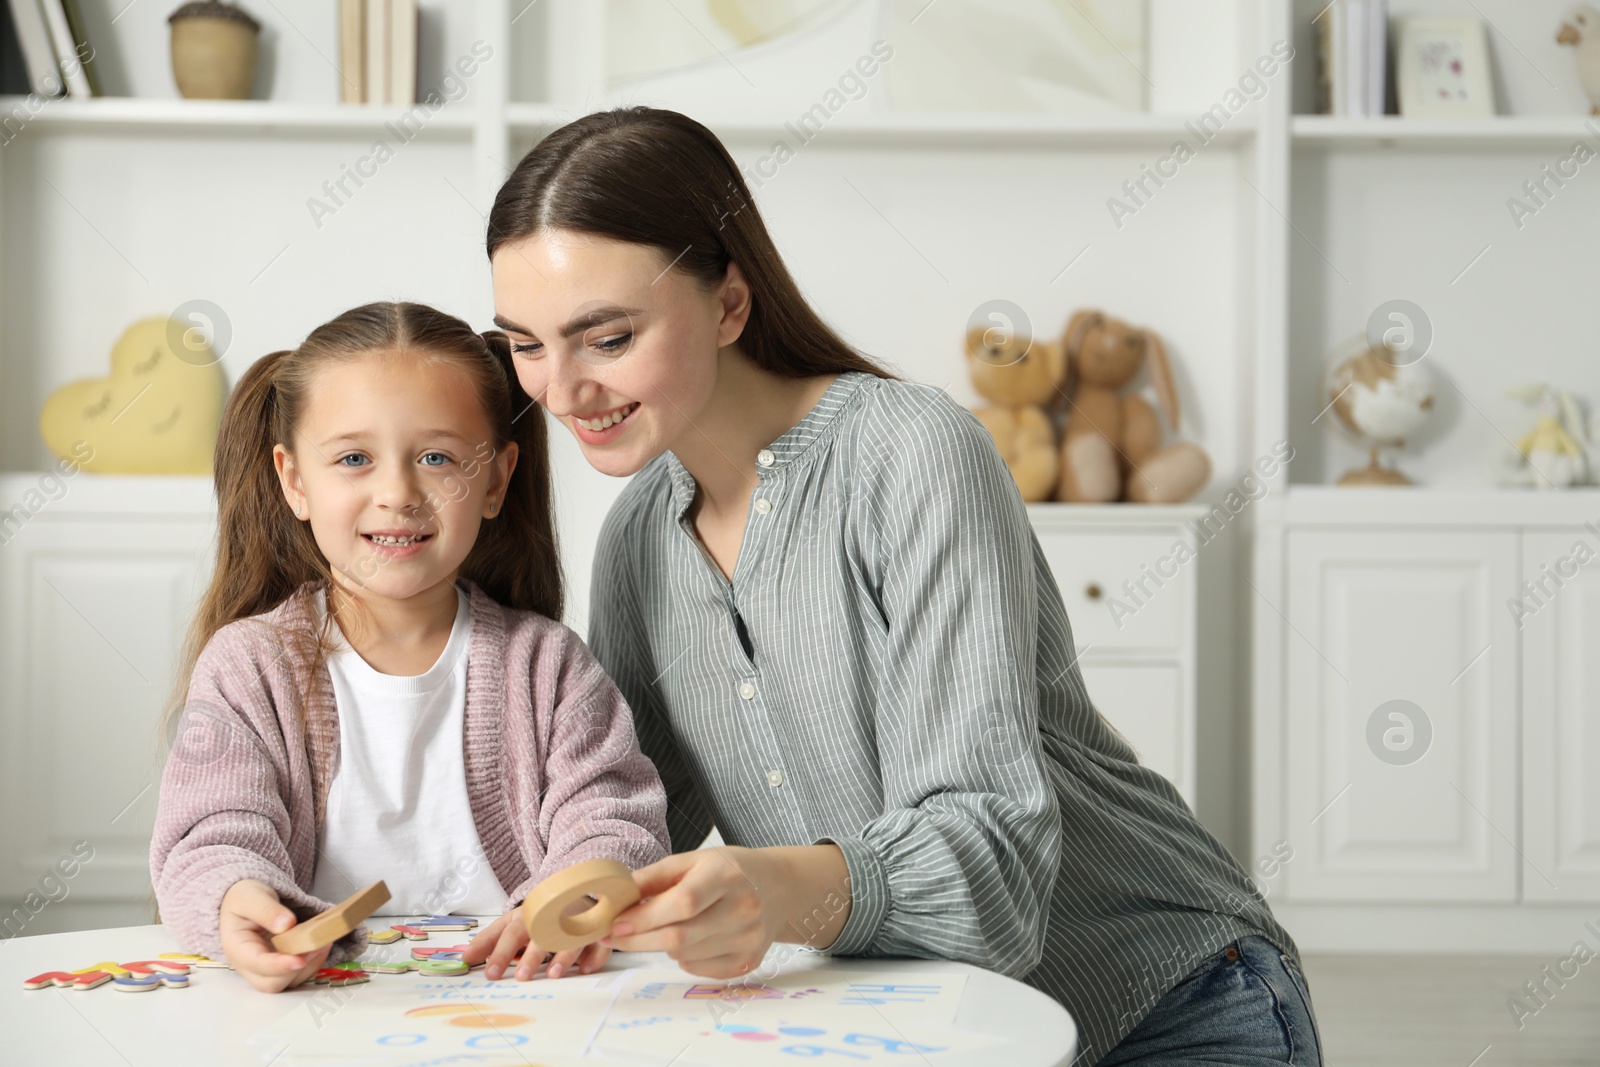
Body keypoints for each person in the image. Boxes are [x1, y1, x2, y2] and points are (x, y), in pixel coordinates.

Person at [476, 106, 1322, 1066]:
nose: (561, 389)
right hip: (925, 1026)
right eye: (527, 344)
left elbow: (994, 872)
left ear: (728, 304)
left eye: (608, 337)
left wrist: (776, 891)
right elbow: (624, 817)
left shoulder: (914, 455)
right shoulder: (637, 539)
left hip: (1167, 1004)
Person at [149, 301, 668, 993]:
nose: (397, 493)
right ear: (294, 479)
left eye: (436, 457)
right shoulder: (249, 666)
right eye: (354, 458)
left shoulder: (550, 665)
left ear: (494, 480)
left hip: (527, 1003)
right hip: (309, 1020)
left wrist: (577, 889)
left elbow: (614, 817)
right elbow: (213, 833)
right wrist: (235, 898)